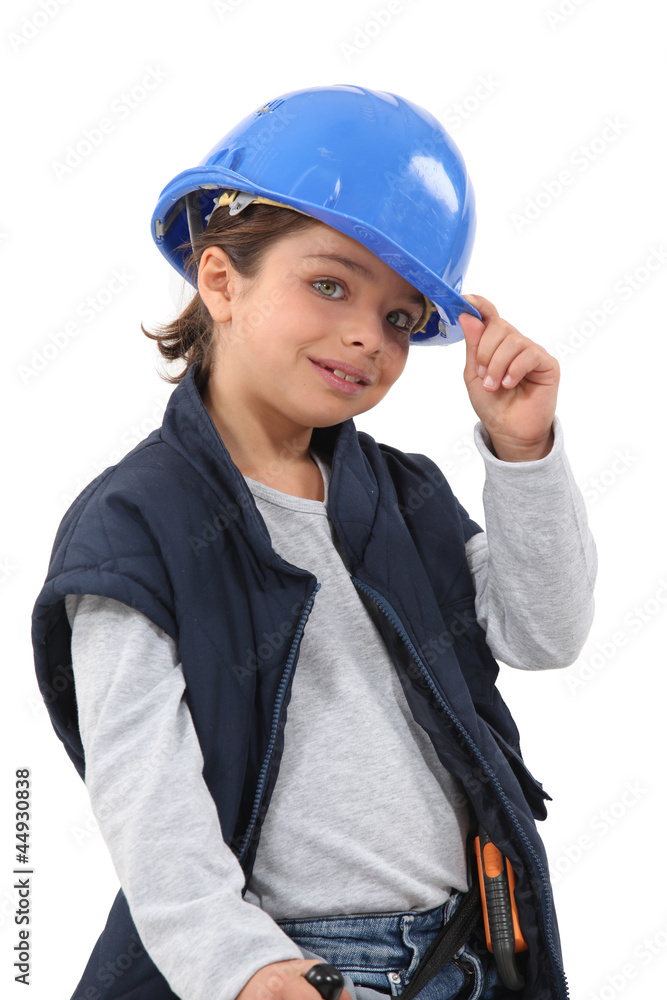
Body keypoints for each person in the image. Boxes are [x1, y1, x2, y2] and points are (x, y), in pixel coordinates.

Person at [31, 85, 597, 1000]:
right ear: (220, 280)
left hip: (468, 953)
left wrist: (521, 450)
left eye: (401, 318)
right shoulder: (136, 525)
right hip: (297, 968)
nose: (364, 337)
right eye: (329, 284)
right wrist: (243, 969)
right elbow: (146, 798)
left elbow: (545, 631)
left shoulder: (402, 495)